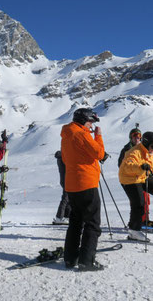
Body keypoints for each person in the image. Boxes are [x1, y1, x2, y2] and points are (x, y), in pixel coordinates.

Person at [61, 108, 105, 271]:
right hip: (86, 182)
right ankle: (87, 261)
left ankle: (70, 258)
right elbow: (99, 153)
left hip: (72, 185)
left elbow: (66, 158)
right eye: (90, 122)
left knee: (75, 222)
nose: (91, 126)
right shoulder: (82, 134)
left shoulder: (66, 134)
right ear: (83, 120)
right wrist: (98, 136)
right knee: (92, 223)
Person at [118, 126, 153, 227]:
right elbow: (123, 165)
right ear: (131, 137)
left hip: (144, 177)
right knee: (137, 201)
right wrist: (137, 169)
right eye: (134, 136)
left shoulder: (144, 148)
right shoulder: (127, 149)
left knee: (145, 199)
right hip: (132, 179)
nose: (137, 138)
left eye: (139, 136)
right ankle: (134, 222)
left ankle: (145, 219)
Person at [52, 150, 70, 225]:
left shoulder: (61, 157)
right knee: (66, 198)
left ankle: (66, 216)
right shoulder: (63, 158)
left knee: (69, 198)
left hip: (66, 180)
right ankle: (59, 217)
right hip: (67, 180)